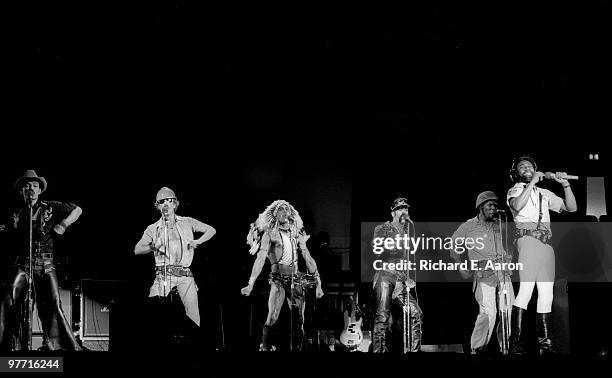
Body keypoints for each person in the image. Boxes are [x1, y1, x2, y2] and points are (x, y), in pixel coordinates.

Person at [0, 169, 82, 351]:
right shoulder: (14, 211)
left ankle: (59, 347)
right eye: (27, 186)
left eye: (35, 186)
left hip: (45, 264)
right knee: (8, 300)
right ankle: (8, 346)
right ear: (21, 190)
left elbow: (78, 209)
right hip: (22, 263)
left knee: (53, 303)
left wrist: (63, 224)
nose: (31, 189)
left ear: (39, 190)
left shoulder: (49, 206)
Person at [506, 156, 577, 355]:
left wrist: (565, 185)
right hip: (527, 240)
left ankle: (545, 345)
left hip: (546, 244)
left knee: (547, 294)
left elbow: (571, 208)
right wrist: (534, 182)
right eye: (522, 167)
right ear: (516, 173)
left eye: (530, 166)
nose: (527, 168)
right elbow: (517, 206)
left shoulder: (545, 193)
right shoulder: (516, 190)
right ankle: (515, 345)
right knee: (526, 291)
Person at [241, 199, 324, 351]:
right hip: (278, 279)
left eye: (287, 209)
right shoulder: (270, 234)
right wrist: (251, 283)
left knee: (299, 319)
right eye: (281, 209)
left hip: (296, 279)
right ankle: (265, 346)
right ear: (275, 214)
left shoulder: (296, 235)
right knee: (273, 315)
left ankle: (297, 348)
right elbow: (260, 259)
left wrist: (318, 283)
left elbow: (308, 258)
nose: (285, 212)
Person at [134, 187, 216, 327]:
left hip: (185, 276)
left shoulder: (188, 222)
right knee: (153, 309)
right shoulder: (153, 228)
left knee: (194, 316)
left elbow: (211, 230)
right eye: (161, 202)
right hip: (164, 275)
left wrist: (198, 241)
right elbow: (137, 250)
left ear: (175, 203)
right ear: (158, 206)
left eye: (169, 200)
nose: (166, 204)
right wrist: (153, 246)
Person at [451, 191, 515, 355]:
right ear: (480, 207)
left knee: (507, 309)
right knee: (488, 312)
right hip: (483, 272)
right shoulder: (468, 226)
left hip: (502, 271)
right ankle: (477, 349)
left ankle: (506, 347)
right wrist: (460, 266)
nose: (493, 208)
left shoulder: (500, 224)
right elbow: (453, 245)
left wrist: (510, 257)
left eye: (495, 205)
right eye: (490, 205)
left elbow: (511, 243)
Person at [371, 197, 422, 353]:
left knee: (416, 313)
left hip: (400, 280)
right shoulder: (382, 228)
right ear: (392, 212)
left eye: (406, 209)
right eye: (400, 209)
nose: (404, 211)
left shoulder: (409, 232)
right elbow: (377, 252)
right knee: (382, 317)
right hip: (385, 276)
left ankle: (414, 351)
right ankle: (378, 352)